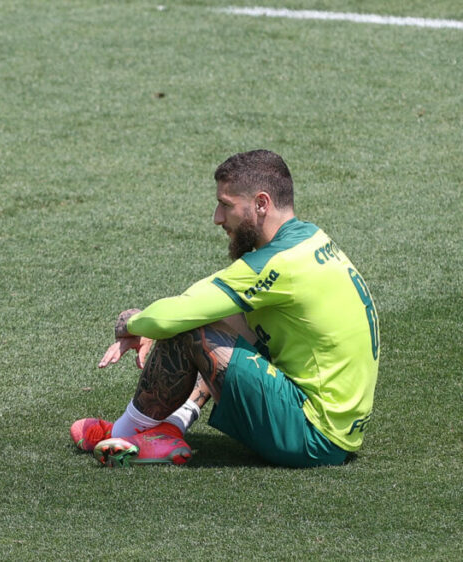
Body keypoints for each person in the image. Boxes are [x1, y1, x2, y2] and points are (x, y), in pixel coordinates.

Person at [71, 150, 379, 467]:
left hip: (311, 435)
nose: (218, 217)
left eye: (226, 205)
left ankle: (124, 433)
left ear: (261, 204)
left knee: (190, 326)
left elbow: (172, 317)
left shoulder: (280, 263)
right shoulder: (310, 238)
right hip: (334, 426)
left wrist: (131, 323)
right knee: (219, 316)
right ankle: (171, 428)